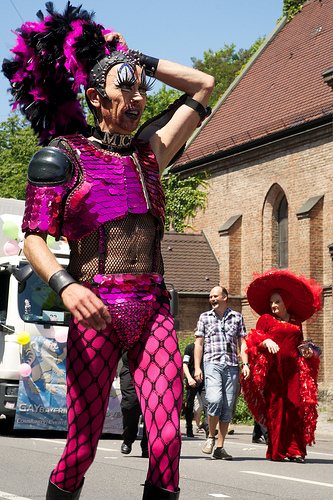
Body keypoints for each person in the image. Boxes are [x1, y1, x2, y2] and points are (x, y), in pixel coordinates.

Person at [2, 3, 214, 499]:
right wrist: (65, 284)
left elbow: (202, 85)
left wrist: (134, 57)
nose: (140, 96)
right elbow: (34, 236)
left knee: (165, 442)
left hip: (154, 310)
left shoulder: (152, 152)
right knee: (82, 446)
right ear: (96, 97)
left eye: (143, 88)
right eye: (128, 87)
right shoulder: (62, 157)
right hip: (94, 309)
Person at [242, 269, 322, 463]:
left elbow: (301, 344)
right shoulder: (266, 319)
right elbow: (252, 342)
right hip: (274, 372)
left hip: (294, 372)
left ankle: (296, 450)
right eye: (271, 302)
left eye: (277, 301)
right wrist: (264, 343)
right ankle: (278, 451)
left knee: (295, 409)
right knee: (276, 410)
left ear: (286, 301)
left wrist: (308, 351)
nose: (273, 305)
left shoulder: (296, 321)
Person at [194, 286, 250, 460]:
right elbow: (199, 344)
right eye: (210, 296)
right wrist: (197, 367)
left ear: (225, 297)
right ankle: (211, 436)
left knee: (227, 408)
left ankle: (220, 447)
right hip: (212, 363)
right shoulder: (205, 317)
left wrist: (245, 364)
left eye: (215, 296)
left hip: (232, 365)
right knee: (215, 399)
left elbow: (242, 342)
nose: (212, 299)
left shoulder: (237, 317)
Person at [119, 351, 148, 457]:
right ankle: (128, 438)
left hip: (152, 367)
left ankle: (147, 445)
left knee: (150, 407)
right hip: (129, 366)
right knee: (129, 405)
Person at [182, 342, 208, 438]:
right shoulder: (189, 348)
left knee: (208, 405)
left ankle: (207, 427)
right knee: (190, 405)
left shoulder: (208, 348)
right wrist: (189, 378)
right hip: (192, 380)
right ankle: (189, 428)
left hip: (204, 381)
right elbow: (185, 364)